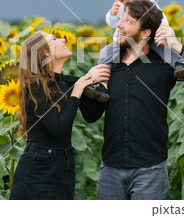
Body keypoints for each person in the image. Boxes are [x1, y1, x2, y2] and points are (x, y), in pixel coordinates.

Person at [80, 0, 184, 200]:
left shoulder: (164, 65)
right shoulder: (109, 66)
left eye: (128, 21)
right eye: (121, 18)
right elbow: (91, 116)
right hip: (110, 169)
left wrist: (176, 45)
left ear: (145, 33)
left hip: (149, 170)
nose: (119, 25)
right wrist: (89, 84)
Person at [9, 31, 109, 200]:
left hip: (64, 164)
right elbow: (58, 128)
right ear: (45, 52)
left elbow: (91, 116)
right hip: (37, 168)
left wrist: (97, 84)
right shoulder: (34, 86)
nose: (63, 39)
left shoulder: (70, 82)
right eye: (54, 39)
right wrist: (77, 91)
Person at [84, 0, 184, 103]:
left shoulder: (148, 3)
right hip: (124, 42)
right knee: (106, 53)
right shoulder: (121, 5)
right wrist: (112, 13)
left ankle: (179, 64)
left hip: (148, 40)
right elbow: (112, 23)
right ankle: (102, 85)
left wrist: (163, 35)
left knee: (163, 49)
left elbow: (161, 19)